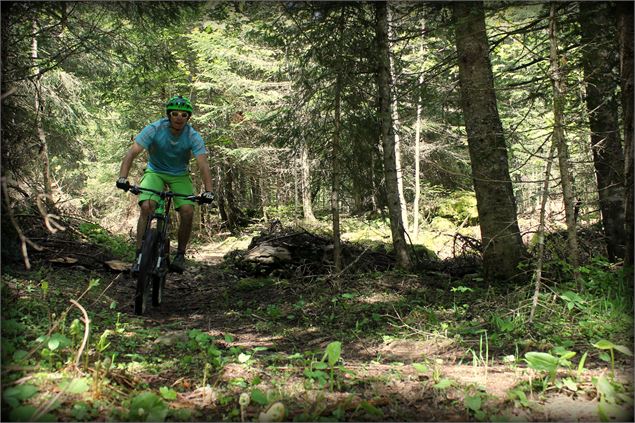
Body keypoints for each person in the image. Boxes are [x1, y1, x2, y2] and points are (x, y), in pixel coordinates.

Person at [116, 95, 214, 273]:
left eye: (183, 115)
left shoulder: (192, 136)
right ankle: (139, 255)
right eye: (175, 113)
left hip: (179, 175)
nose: (179, 117)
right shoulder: (154, 129)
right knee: (147, 206)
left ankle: (181, 254)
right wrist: (123, 178)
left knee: (187, 210)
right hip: (155, 171)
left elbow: (203, 164)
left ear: (188, 118)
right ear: (169, 115)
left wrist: (208, 191)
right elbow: (132, 154)